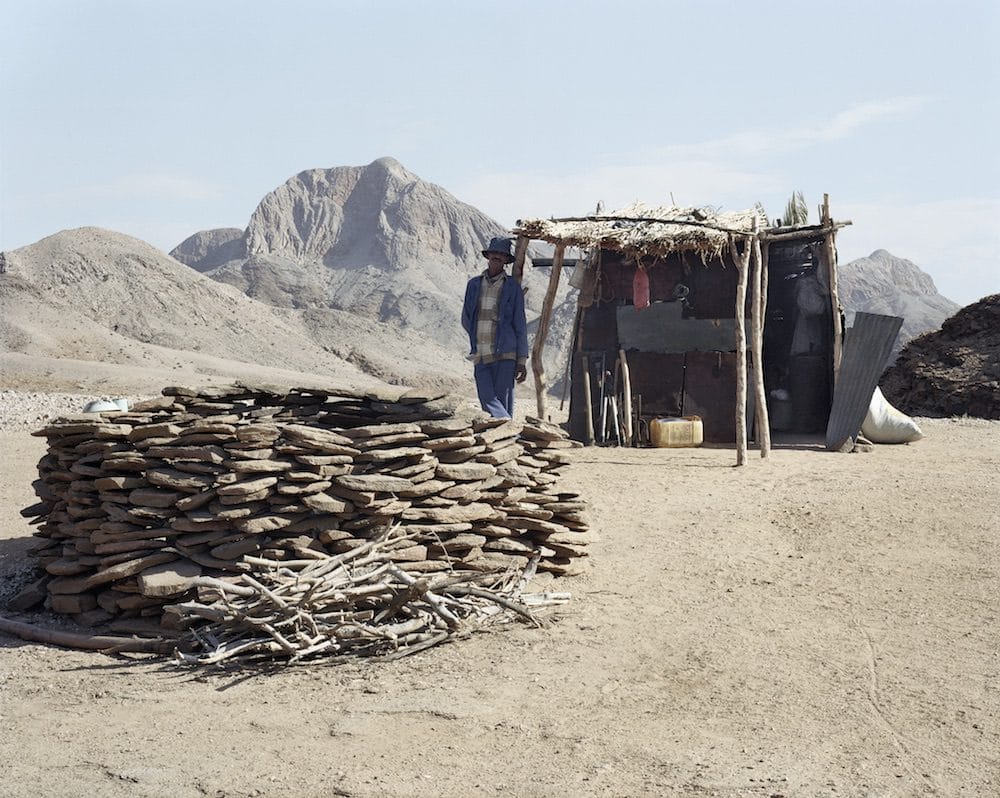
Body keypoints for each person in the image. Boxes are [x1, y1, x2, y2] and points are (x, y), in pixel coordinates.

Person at [461, 236, 528, 418]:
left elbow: (520, 323)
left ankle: (505, 440)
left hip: (505, 353)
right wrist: (478, 336)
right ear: (488, 255)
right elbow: (466, 318)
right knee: (487, 398)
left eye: (502, 254)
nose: (497, 256)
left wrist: (521, 360)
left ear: (506, 260)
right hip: (480, 352)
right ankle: (509, 427)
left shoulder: (512, 288)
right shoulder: (474, 285)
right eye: (494, 253)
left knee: (503, 399)